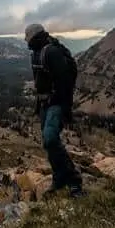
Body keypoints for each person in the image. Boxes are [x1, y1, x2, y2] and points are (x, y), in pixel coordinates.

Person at [25, 23, 83, 198]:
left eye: (27, 37)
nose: (25, 40)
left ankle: (74, 181)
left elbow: (65, 82)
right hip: (45, 104)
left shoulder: (51, 52)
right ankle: (59, 178)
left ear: (33, 37)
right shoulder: (37, 53)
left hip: (55, 104)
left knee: (50, 139)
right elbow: (41, 82)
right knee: (49, 143)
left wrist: (63, 106)